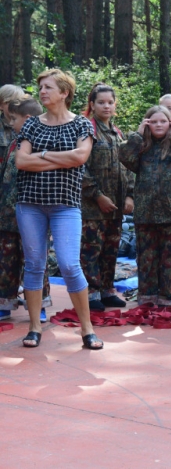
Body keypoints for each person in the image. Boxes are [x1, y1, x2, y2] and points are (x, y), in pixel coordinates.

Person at [15, 69, 102, 349]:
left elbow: (80, 157)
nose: (42, 91)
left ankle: (87, 329)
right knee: (34, 265)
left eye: (48, 87)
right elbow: (21, 162)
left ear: (64, 93)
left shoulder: (82, 124)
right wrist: (60, 159)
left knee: (69, 264)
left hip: (66, 206)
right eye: (41, 87)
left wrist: (40, 156)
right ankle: (34, 328)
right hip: (30, 204)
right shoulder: (31, 124)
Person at [119, 105, 171, 306]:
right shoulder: (141, 145)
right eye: (153, 122)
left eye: (163, 121)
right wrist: (137, 135)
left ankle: (170, 297)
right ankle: (147, 296)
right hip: (146, 212)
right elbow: (125, 158)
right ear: (147, 124)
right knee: (146, 257)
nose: (158, 125)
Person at [80, 83, 134, 312]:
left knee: (111, 249)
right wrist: (98, 195)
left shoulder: (117, 133)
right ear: (92, 105)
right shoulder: (86, 130)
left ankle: (107, 290)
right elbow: (80, 167)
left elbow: (127, 167)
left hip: (116, 207)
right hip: (93, 206)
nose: (106, 106)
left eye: (110, 102)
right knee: (91, 250)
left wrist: (129, 195)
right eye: (101, 102)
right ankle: (91, 293)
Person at [0, 99, 53, 322]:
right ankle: (5, 303)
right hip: (7, 214)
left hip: (33, 214)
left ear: (28, 119)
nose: (10, 123)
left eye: (14, 119)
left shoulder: (44, 143)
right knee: (6, 260)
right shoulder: (15, 142)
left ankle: (38, 305)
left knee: (35, 260)